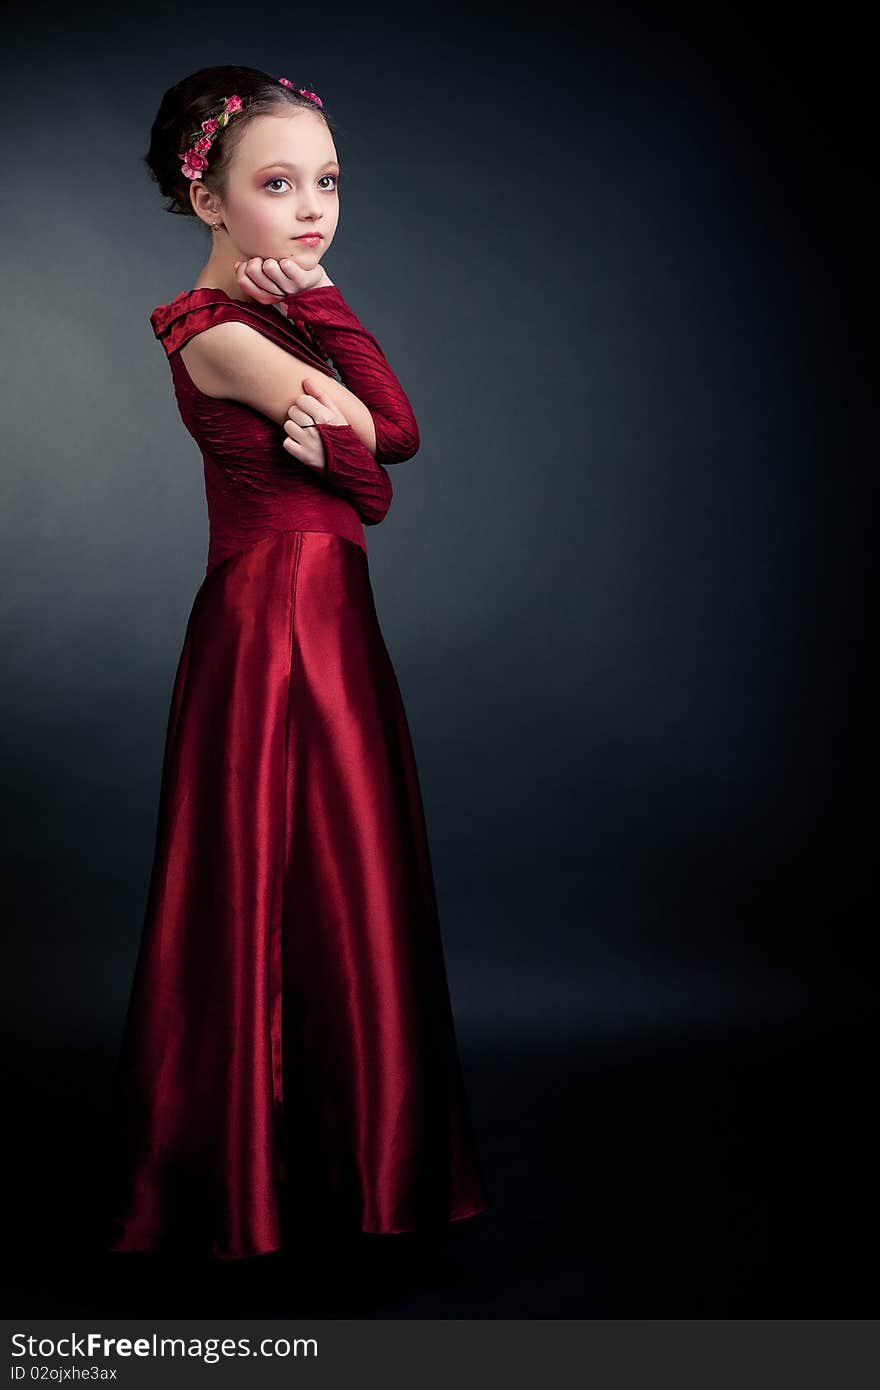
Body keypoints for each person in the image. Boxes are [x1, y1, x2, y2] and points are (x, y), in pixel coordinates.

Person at [104, 65, 489, 1260]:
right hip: (277, 622)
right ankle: (245, 1189)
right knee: (271, 882)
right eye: (278, 183)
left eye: (326, 181)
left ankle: (344, 1173)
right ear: (208, 198)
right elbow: (375, 470)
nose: (312, 208)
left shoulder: (285, 316)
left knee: (341, 881)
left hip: (321, 616)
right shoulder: (215, 332)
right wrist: (349, 442)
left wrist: (322, 315)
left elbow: (391, 444)